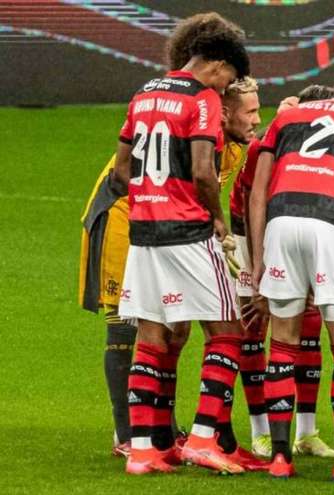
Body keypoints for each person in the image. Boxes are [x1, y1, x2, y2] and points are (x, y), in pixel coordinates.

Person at [77, 12, 247, 459]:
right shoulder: (204, 97)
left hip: (142, 229)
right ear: (217, 65)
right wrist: (216, 218)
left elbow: (121, 168)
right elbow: (203, 171)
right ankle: (206, 440)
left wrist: (151, 199)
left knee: (152, 335)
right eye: (230, 77)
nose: (227, 87)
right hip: (187, 229)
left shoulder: (145, 92)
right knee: (228, 330)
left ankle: (143, 450)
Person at [248, 77, 334, 481]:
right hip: (331, 221)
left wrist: (259, 259)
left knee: (283, 345)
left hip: (281, 219)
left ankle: (279, 458)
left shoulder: (288, 117)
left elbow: (259, 192)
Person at [231, 84, 334, 459]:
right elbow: (251, 205)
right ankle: (260, 429)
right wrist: (259, 267)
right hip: (249, 233)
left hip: (291, 230)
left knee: (308, 328)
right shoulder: (269, 143)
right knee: (252, 325)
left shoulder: (323, 146)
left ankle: (306, 432)